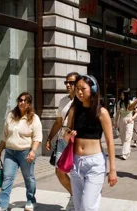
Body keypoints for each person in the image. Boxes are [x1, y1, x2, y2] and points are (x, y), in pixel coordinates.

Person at [63, 74, 117, 211]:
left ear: (92, 89)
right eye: (77, 89)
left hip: (95, 163)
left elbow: (110, 142)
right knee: (78, 205)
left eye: (83, 88)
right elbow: (65, 137)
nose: (79, 92)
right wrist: (68, 135)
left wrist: (112, 170)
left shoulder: (102, 112)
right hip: (76, 162)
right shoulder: (74, 110)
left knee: (88, 206)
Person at [0, 92, 42, 211]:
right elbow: (5, 135)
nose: (22, 103)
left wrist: (33, 152)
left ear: (29, 104)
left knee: (29, 178)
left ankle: (31, 201)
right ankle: (2, 205)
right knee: (7, 177)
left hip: (25, 152)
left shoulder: (34, 118)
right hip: (10, 152)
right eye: (20, 100)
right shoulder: (11, 115)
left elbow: (37, 138)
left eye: (25, 101)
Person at [45, 72, 78, 210]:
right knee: (59, 171)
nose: (68, 85)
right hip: (63, 139)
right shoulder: (63, 101)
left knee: (76, 173)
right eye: (66, 83)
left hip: (77, 140)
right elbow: (59, 121)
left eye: (71, 83)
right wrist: (49, 138)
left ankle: (78, 201)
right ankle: (74, 196)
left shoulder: (82, 101)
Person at [114, 89, 137, 160]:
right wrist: (115, 122)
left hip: (129, 120)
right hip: (122, 120)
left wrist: (132, 118)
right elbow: (118, 113)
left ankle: (124, 153)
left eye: (123, 95)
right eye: (121, 95)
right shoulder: (119, 103)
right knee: (122, 137)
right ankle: (127, 150)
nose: (121, 96)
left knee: (128, 137)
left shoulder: (131, 103)